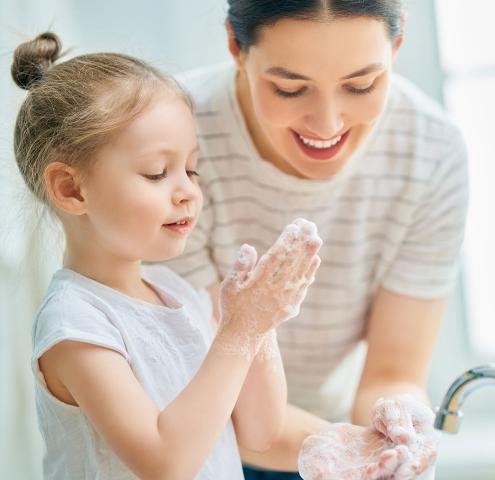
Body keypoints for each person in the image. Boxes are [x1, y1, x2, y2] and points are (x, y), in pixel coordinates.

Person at [163, 1, 470, 478]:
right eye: (289, 88)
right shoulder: (168, 139)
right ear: (235, 48)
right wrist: (348, 448)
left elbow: (393, 373)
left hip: (323, 437)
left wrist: (400, 430)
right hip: (187, 439)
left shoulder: (431, 153)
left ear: (398, 43)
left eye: (362, 84)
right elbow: (212, 391)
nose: (327, 125)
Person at [12, 32, 322, 479]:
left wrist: (260, 326)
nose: (188, 192)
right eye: (158, 173)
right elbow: (164, 463)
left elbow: (259, 432)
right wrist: (238, 332)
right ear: (71, 189)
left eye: (191, 169)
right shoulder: (75, 324)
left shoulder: (175, 292)